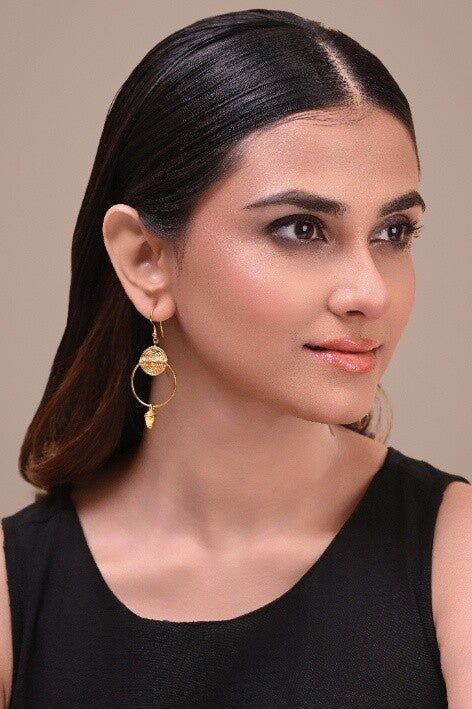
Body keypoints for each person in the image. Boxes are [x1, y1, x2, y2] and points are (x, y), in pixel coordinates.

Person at [1, 8, 471, 708]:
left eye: (394, 232)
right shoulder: (15, 593)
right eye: (301, 228)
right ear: (145, 259)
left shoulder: (457, 555)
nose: (371, 292)